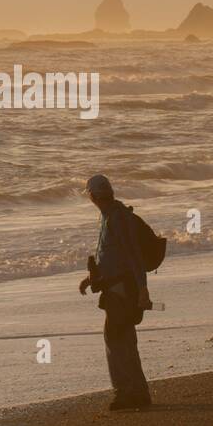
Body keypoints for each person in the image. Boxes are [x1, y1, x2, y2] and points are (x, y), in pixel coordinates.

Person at [79, 174, 152, 410]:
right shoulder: (109, 216)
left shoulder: (117, 218)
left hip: (121, 288)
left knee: (117, 338)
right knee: (124, 339)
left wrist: (142, 289)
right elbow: (110, 256)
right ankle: (137, 392)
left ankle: (126, 392)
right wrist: (90, 279)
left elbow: (133, 254)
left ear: (93, 195)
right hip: (114, 286)